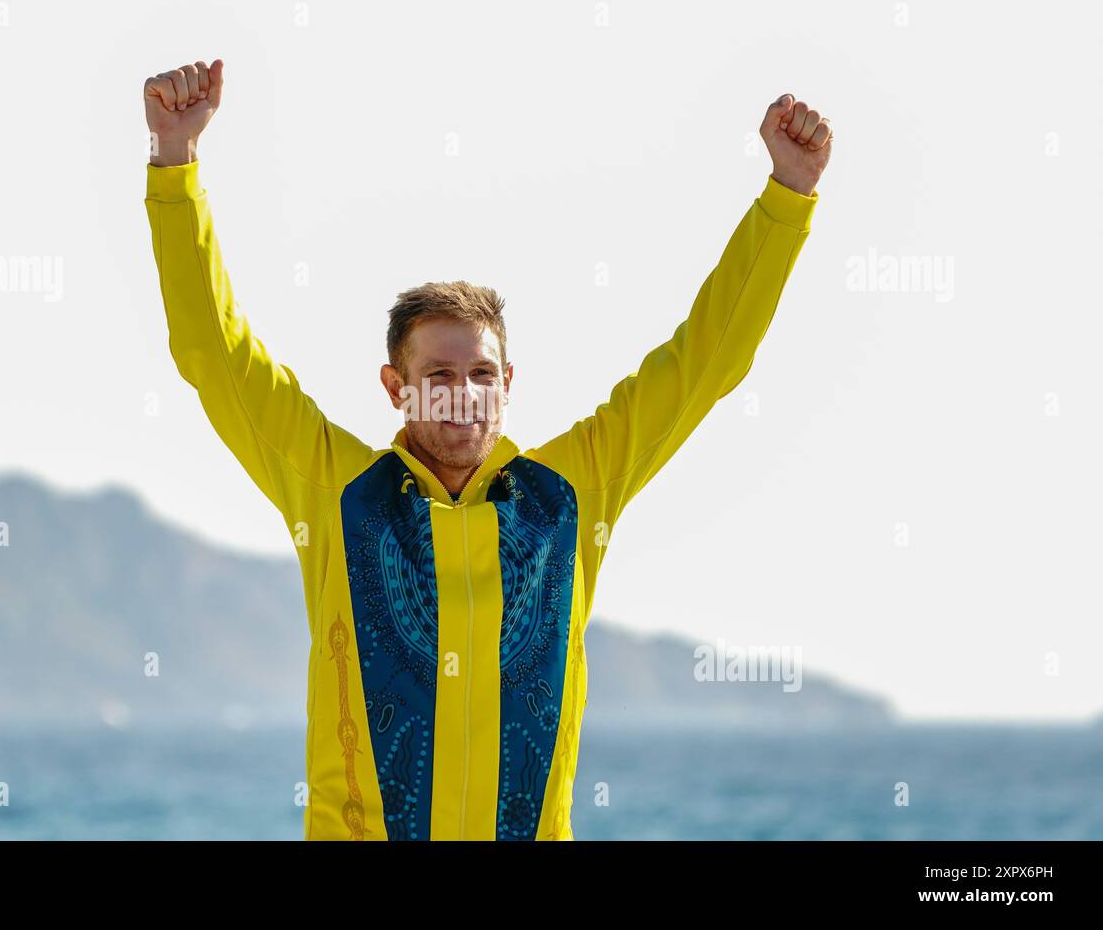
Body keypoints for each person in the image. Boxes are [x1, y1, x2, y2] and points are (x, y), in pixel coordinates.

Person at [142, 59, 832, 840]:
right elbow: (214, 352)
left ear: (508, 383)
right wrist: (175, 165)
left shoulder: (571, 489)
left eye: (480, 374)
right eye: (438, 374)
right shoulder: (336, 487)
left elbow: (705, 361)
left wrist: (788, 197)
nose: (462, 394)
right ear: (395, 387)